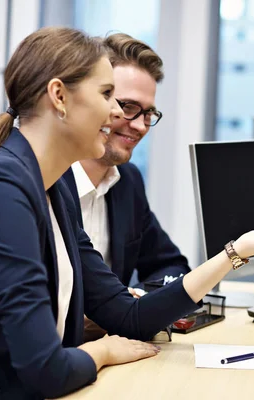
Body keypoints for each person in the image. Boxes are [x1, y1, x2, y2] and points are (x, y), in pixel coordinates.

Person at [0, 27, 254, 399]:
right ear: (59, 96)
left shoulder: (51, 190)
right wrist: (104, 350)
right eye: (108, 95)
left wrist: (237, 251)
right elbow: (44, 369)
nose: (116, 113)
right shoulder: (7, 187)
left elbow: (129, 317)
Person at [62, 33, 187, 293]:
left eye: (149, 113)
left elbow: (173, 268)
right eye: (128, 106)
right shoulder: (44, 180)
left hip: (112, 334)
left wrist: (134, 301)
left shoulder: (128, 181)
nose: (140, 125)